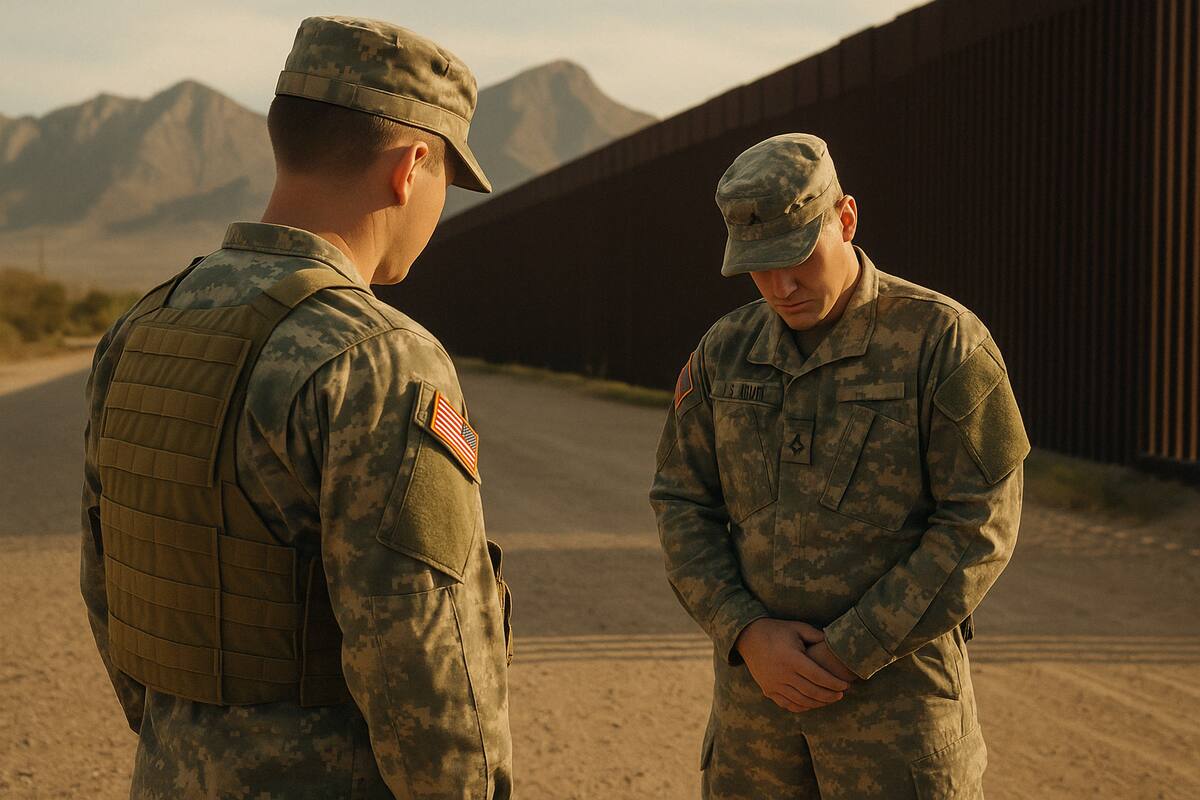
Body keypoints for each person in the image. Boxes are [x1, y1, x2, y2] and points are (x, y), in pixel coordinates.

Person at [79, 16, 513, 799]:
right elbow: (423, 652)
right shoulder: (376, 353)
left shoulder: (142, 326)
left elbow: (105, 580)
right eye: (449, 178)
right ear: (410, 166)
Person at [649, 133, 1028, 799]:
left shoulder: (940, 342)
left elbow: (979, 522)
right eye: (758, 268)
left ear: (845, 219)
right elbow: (682, 501)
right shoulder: (725, 353)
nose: (781, 285)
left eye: (797, 257)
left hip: (897, 730)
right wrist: (746, 630)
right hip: (756, 730)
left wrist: (852, 646)